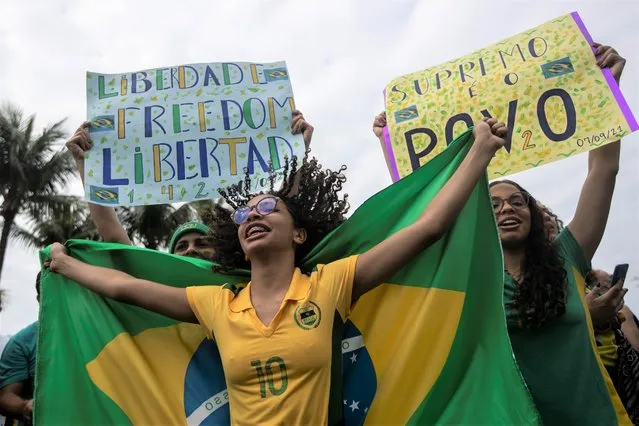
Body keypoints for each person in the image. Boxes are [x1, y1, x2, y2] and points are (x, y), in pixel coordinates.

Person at [46, 118, 509, 424]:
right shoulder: (216, 304)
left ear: (299, 235)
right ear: (240, 244)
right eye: (243, 215)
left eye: (268, 207)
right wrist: (66, 264)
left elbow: (428, 228)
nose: (253, 216)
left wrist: (479, 153)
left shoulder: (331, 284)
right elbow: (125, 284)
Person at [489, 42, 630, 425]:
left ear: (533, 214)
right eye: (494, 204)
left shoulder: (566, 256)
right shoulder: (472, 281)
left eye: (518, 202)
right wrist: (393, 141)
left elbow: (603, 171)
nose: (506, 208)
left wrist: (607, 91)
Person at [65, 110, 315, 259]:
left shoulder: (242, 287)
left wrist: (297, 151)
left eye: (202, 243)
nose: (190, 250)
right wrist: (88, 166)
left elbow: (286, 214)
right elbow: (113, 236)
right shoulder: (159, 288)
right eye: (181, 247)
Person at [0, 274, 40, 426]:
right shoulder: (22, 342)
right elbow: (5, 397)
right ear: (39, 299)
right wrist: (26, 407)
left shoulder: (95, 334)